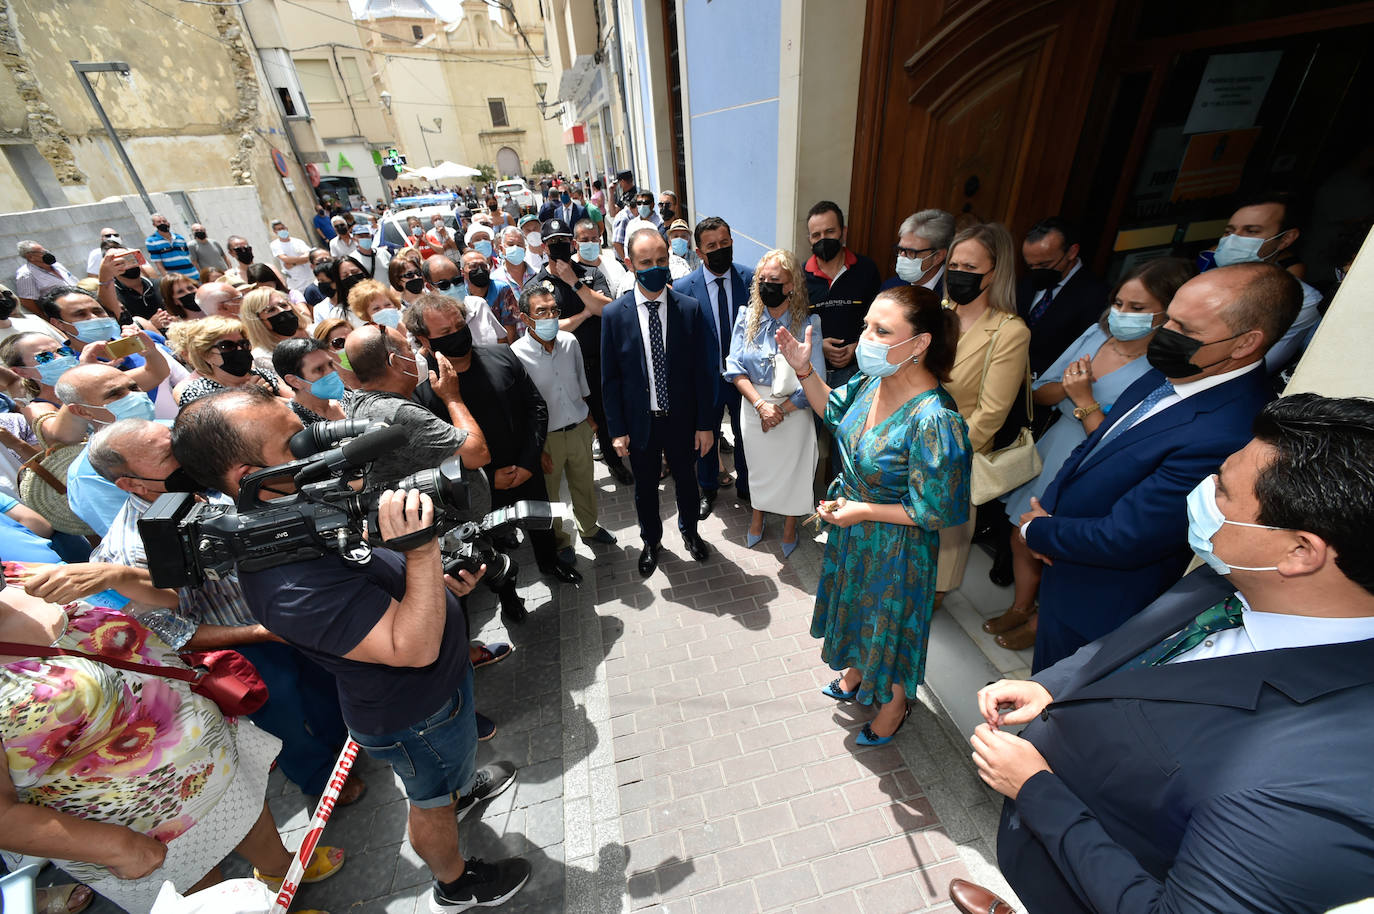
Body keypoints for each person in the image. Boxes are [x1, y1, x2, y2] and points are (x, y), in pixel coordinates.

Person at [966, 394, 1374, 914]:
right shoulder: (1242, 571)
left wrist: (1035, 790)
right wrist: (1055, 685)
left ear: (1299, 552)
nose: (1201, 491)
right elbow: (1144, 640)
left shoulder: (1309, 781)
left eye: (1222, 489)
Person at [171, 387, 528, 912]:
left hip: (440, 695)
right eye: (295, 444)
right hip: (415, 715)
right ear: (247, 474)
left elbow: (373, 580)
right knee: (429, 802)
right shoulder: (286, 582)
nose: (316, 449)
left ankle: (458, 786)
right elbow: (412, 648)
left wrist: (434, 582)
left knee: (447, 776)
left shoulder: (296, 515)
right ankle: (455, 883)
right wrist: (422, 547)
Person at [1020, 262, 1297, 670]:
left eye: (1186, 330)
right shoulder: (1172, 372)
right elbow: (1096, 445)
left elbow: (1128, 537)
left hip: (1102, 600)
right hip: (1066, 560)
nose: (1166, 334)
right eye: (1169, 319)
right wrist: (1051, 513)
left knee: (1059, 704)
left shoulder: (1232, 430)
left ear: (1244, 343)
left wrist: (1038, 530)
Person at [0, 588, 345, 913]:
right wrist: (113, 845)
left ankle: (279, 872)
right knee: (207, 897)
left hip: (207, 756)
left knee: (250, 817)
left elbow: (161, 602)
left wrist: (107, 574)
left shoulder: (20, 576)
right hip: (138, 824)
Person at [77, 417, 365, 806]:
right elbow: (176, 634)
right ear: (130, 483)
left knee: (323, 691)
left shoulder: (214, 485)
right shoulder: (135, 549)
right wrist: (262, 633)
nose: (186, 457)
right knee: (285, 723)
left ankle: (346, 747)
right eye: (169, 455)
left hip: (288, 619)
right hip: (245, 648)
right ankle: (321, 782)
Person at [777, 284, 971, 745]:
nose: (866, 338)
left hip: (898, 547)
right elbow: (835, 416)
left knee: (890, 624)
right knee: (856, 608)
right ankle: (859, 672)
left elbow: (938, 508)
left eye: (882, 331)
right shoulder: (871, 381)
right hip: (855, 530)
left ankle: (895, 704)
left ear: (920, 343)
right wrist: (805, 371)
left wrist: (863, 509)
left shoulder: (935, 419)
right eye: (868, 326)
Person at [987, 258, 1193, 650]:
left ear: (1167, 314)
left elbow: (1120, 441)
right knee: (1021, 534)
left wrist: (1083, 398)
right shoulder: (1094, 335)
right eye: (1118, 303)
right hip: (1059, 444)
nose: (1121, 315)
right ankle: (1021, 606)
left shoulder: (1165, 368)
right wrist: (1067, 390)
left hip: (1099, 462)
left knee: (1063, 549)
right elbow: (1040, 391)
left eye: (1137, 309)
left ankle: (1042, 620)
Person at [405, 293, 581, 585]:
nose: (457, 334)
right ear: (425, 340)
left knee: (542, 525)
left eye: (460, 324)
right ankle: (508, 595)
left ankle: (551, 565)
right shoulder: (424, 392)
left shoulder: (502, 355)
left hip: (527, 471)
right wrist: (486, 478)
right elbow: (435, 454)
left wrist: (528, 461)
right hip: (479, 489)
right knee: (490, 549)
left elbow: (535, 408)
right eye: (445, 332)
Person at [602, 229, 716, 577]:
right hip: (641, 422)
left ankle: (690, 532)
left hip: (681, 419)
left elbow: (703, 372)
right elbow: (610, 380)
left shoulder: (689, 309)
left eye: (661, 260)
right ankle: (651, 540)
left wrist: (706, 424)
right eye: (646, 262)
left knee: (686, 481)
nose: (655, 268)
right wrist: (617, 430)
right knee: (646, 488)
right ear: (630, 264)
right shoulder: (614, 315)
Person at [937, 223, 1031, 596]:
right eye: (954, 265)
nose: (959, 274)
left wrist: (944, 455)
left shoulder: (1010, 331)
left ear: (996, 272)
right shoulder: (940, 311)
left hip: (955, 458)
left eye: (970, 269)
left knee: (941, 556)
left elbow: (990, 414)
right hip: (911, 447)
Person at [723, 249, 823, 555]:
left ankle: (791, 525)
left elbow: (815, 377)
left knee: (794, 469)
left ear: (791, 284)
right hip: (754, 407)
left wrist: (780, 409)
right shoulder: (746, 317)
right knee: (759, 468)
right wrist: (760, 405)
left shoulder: (808, 322)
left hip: (795, 407)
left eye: (775, 280)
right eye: (762, 279)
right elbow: (734, 367)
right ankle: (757, 517)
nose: (767, 285)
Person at [510, 282, 615, 562]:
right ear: (525, 318)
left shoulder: (570, 342)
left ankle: (589, 528)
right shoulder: (516, 355)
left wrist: (590, 423)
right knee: (552, 496)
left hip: (579, 429)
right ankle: (560, 541)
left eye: (554, 310)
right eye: (541, 311)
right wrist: (536, 449)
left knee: (584, 485)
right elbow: (520, 409)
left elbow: (581, 385)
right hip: (548, 440)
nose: (550, 317)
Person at [539, 220, 632, 486]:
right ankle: (580, 476)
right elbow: (547, 329)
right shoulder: (538, 283)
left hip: (598, 360)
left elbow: (608, 309)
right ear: (544, 247)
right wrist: (585, 312)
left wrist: (574, 282)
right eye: (553, 243)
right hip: (562, 366)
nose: (560, 247)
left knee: (605, 416)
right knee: (576, 421)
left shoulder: (589, 273)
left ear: (572, 243)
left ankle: (615, 462)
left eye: (564, 241)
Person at [674, 216, 754, 518]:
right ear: (699, 250)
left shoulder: (751, 279)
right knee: (705, 439)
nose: (719, 250)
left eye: (724, 243)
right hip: (705, 381)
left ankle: (747, 486)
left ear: (732, 241)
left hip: (744, 378)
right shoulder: (682, 288)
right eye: (712, 246)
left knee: (745, 434)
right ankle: (707, 488)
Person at [1202, 191, 1323, 371]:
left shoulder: (1301, 301)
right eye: (1229, 231)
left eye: (1251, 231)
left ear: (1286, 239)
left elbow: (1249, 367)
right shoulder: (1205, 279)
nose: (1234, 239)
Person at [1016, 217, 1110, 385]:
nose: (1036, 271)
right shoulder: (1025, 283)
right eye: (1031, 266)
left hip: (1048, 388)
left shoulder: (1096, 295)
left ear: (1072, 252)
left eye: (1044, 264)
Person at [803, 201, 882, 387]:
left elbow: (880, 319)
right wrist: (817, 346)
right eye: (816, 235)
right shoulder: (800, 276)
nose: (823, 239)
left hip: (857, 374)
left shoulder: (867, 270)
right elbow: (794, 323)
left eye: (830, 232)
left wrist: (857, 347)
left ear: (843, 232)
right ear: (809, 240)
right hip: (814, 373)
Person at [169, 316, 285, 406]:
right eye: (227, 346)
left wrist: (271, 399)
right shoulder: (197, 392)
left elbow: (297, 405)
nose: (239, 349)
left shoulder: (261, 375)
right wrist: (251, 398)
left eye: (243, 344)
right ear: (206, 355)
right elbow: (220, 430)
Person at [420, 255, 509, 345]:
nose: (453, 288)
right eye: (444, 285)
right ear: (429, 287)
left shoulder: (479, 305)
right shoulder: (427, 320)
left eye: (457, 281)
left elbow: (502, 339)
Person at [274, 337, 347, 425]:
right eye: (319, 369)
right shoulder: (294, 424)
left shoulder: (347, 398)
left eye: (330, 364)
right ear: (295, 381)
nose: (331, 372)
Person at [880, 209, 954, 296]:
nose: (902, 256)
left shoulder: (953, 293)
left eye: (911, 252)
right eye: (900, 249)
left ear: (938, 256)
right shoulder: (890, 287)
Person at [455, 248, 518, 341]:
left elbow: (510, 331)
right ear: (463, 272)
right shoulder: (460, 295)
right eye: (473, 266)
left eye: (483, 266)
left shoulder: (502, 289)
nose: (480, 270)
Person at [241, 287, 309, 374]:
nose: (282, 311)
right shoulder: (264, 357)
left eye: (284, 305)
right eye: (271, 310)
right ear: (258, 320)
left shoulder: (314, 331)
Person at [14, 241, 79, 317]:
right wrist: (45, 318)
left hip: (80, 301)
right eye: (42, 252)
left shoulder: (57, 265)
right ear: (30, 257)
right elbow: (27, 301)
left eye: (46, 251)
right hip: (63, 311)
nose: (47, 253)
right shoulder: (26, 274)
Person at [96, 247, 160, 325]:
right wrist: (149, 324)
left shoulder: (159, 284)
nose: (128, 264)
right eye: (120, 261)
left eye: (129, 257)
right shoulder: (112, 295)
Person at [144, 214, 199, 281]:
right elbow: (158, 263)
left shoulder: (180, 238)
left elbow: (188, 256)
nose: (162, 223)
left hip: (193, 274)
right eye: (159, 222)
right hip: (176, 279)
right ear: (154, 225)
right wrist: (168, 278)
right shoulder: (151, 241)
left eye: (164, 221)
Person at [613, 190, 663, 261]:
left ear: (652, 205)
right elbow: (627, 247)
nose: (642, 206)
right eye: (639, 203)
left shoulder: (660, 223)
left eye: (646, 203)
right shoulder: (632, 224)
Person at [268, 219, 314, 293]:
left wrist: (294, 263)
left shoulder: (298, 242)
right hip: (295, 281)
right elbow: (285, 259)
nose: (282, 230)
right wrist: (303, 259)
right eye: (279, 229)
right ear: (275, 232)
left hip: (309, 276)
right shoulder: (275, 244)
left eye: (283, 228)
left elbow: (309, 255)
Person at [493, 226, 537, 295]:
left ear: (524, 250)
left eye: (519, 245)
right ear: (501, 249)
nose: (515, 248)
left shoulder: (537, 275)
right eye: (511, 244)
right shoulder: (495, 279)